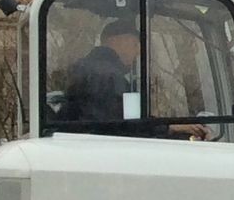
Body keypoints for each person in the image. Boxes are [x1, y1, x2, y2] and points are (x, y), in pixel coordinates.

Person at [61, 19, 206, 139]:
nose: (138, 52)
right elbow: (126, 125)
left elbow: (130, 119)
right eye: (135, 45)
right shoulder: (108, 77)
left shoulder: (87, 68)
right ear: (118, 41)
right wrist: (169, 128)